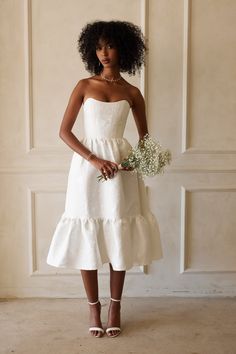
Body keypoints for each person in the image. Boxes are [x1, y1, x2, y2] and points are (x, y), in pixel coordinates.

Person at [47, 20, 163, 338]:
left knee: (118, 235)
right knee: (88, 232)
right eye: (98, 47)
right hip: (87, 168)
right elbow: (64, 132)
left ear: (123, 48)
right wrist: (94, 159)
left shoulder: (132, 92)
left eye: (109, 46)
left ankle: (115, 306)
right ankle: (93, 308)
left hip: (120, 171)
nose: (103, 53)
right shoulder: (84, 86)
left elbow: (145, 139)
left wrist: (133, 161)